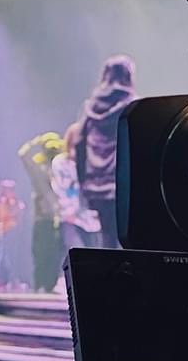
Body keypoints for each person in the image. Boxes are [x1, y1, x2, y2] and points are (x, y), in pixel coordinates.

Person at [68, 55, 135, 247]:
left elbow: (79, 145)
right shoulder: (132, 106)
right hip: (124, 186)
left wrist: (83, 183)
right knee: (128, 238)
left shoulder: (90, 109)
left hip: (95, 187)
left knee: (107, 238)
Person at [19, 132, 67, 291]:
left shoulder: (61, 171)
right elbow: (23, 155)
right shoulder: (39, 172)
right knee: (41, 253)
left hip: (59, 218)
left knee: (54, 254)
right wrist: (37, 141)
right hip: (43, 219)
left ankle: (49, 285)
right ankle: (40, 285)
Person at [53, 121, 100, 253]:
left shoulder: (94, 163)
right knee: (76, 254)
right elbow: (62, 190)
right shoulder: (61, 163)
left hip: (94, 221)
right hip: (72, 219)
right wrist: (71, 214)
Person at [0, 179, 23, 288]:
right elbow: (6, 215)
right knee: (5, 256)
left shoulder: (13, 201)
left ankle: (10, 280)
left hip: (12, 231)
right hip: (6, 231)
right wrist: (15, 210)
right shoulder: (3, 202)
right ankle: (4, 280)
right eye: (10, 189)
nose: (12, 192)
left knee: (11, 255)